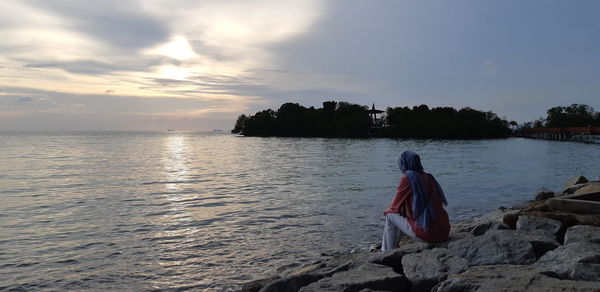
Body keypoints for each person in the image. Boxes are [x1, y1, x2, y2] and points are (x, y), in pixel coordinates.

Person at [381, 150, 450, 251]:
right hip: (443, 231)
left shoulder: (407, 178)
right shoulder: (429, 177)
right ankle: (395, 244)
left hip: (428, 234)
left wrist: (398, 209)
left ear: (403, 163)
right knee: (400, 212)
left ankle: (387, 251)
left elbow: (393, 206)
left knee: (390, 215)